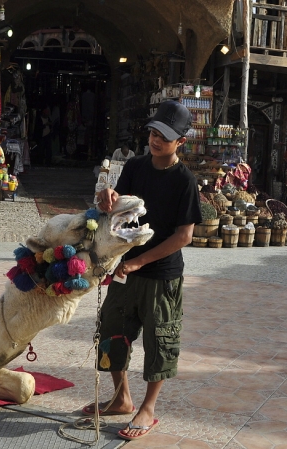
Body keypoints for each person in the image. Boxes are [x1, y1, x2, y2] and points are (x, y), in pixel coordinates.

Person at [84, 100, 202, 441]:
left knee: (159, 341)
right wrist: (108, 196)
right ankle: (121, 397)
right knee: (111, 332)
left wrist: (139, 261)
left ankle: (148, 408)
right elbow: (122, 203)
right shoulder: (136, 166)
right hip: (125, 268)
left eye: (164, 136)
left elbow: (184, 236)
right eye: (153, 132)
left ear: (180, 141)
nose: (155, 140)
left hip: (161, 276)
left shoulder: (185, 181)